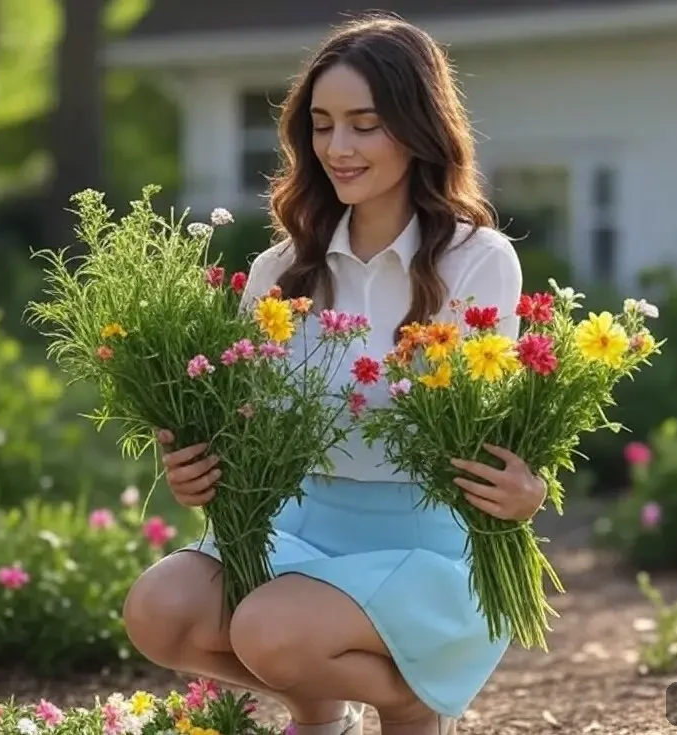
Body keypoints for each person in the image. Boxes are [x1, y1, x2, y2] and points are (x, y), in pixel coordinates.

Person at [123, 13, 547, 735]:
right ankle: (323, 721)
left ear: (416, 127)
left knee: (268, 627)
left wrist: (527, 487)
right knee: (158, 612)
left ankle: (410, 704)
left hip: (424, 538)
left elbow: (498, 420)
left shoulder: (477, 260)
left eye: (364, 123)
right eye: (322, 125)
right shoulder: (279, 270)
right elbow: (247, 422)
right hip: (298, 523)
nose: (338, 148)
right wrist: (197, 467)